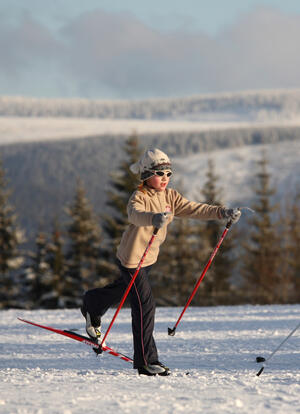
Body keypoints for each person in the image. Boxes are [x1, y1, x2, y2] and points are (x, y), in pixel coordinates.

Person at [81, 148, 241, 376]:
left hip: (148, 258)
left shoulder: (170, 197)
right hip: (132, 259)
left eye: (168, 173)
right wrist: (153, 218)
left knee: (125, 291)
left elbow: (194, 208)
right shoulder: (140, 197)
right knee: (144, 305)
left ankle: (92, 303)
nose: (165, 178)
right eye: (159, 173)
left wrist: (221, 212)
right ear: (146, 175)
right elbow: (134, 214)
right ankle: (146, 361)